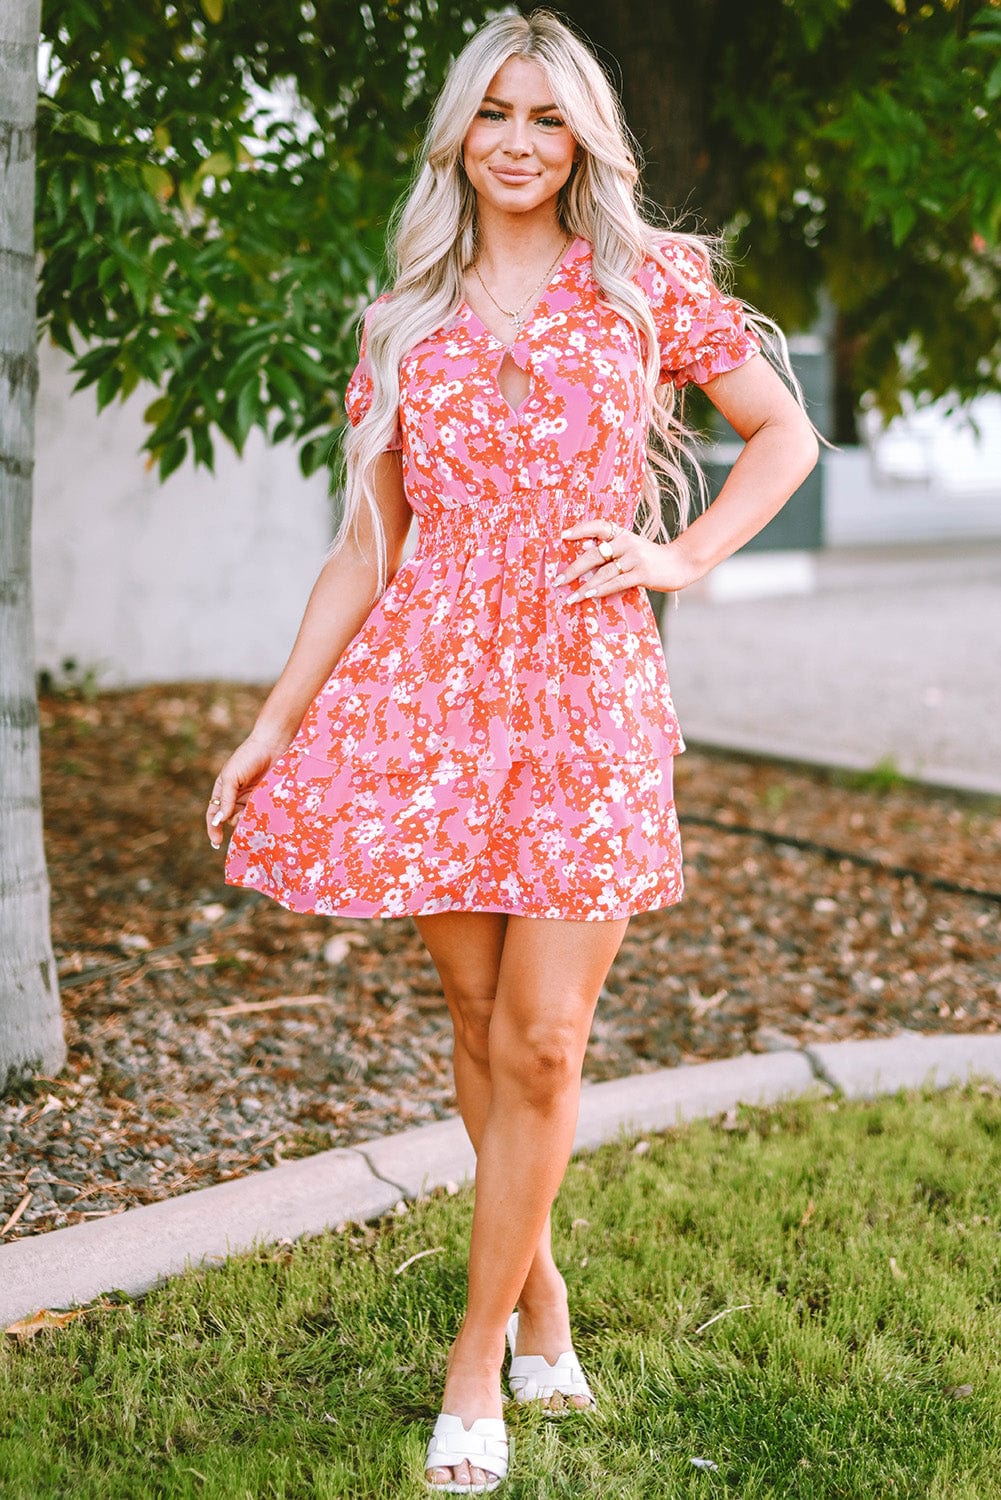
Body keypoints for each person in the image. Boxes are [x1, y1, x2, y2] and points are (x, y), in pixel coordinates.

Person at [206, 8, 818, 1491]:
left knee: (546, 1036)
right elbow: (367, 550)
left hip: (586, 691)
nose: (522, 143)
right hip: (425, 695)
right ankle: (538, 1296)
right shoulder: (398, 323)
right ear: (458, 136)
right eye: (497, 114)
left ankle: (474, 1364)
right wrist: (274, 722)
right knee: (479, 1028)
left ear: (582, 137)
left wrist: (679, 561)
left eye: (549, 118)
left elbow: (781, 438)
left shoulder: (648, 288)